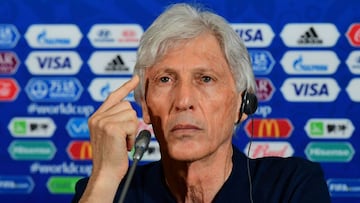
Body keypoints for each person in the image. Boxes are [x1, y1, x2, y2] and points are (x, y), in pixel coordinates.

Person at [72, 3, 331, 203]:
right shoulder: (105, 192)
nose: (183, 101)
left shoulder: (291, 186)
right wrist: (104, 179)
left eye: (206, 78)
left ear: (243, 105)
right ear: (145, 107)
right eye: (165, 79)